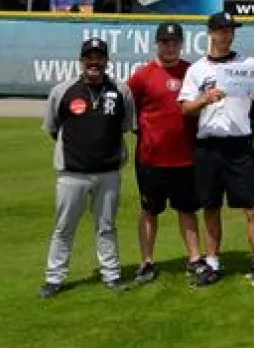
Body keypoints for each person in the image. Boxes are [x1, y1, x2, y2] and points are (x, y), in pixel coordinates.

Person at [179, 12, 254, 289]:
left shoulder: (247, 64)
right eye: (220, 30)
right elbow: (185, 108)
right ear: (211, 33)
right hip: (208, 145)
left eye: (230, 30)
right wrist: (205, 98)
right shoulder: (197, 69)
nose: (225, 35)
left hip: (239, 144)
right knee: (210, 206)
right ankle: (212, 264)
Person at [39, 38, 138, 298]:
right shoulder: (63, 90)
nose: (94, 62)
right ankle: (54, 278)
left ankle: (111, 274)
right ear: (81, 61)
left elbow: (126, 125)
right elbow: (52, 128)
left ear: (107, 61)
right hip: (72, 172)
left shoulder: (121, 91)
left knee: (106, 226)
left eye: (99, 57)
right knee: (64, 227)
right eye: (89, 57)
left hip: (108, 172)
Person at [127, 22, 205, 286]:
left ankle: (195, 258)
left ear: (181, 44)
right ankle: (147, 261)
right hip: (151, 158)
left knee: (187, 210)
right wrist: (141, 133)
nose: (170, 47)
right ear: (157, 44)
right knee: (149, 210)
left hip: (186, 156)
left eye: (174, 42)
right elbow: (127, 107)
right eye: (165, 43)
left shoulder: (192, 72)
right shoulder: (143, 75)